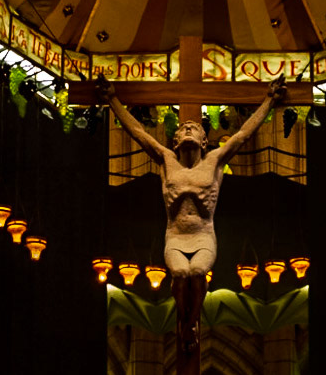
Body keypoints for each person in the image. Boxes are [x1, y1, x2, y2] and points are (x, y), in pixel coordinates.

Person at [96, 75, 287, 356]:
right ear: (175, 141)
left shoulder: (215, 161)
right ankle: (186, 323)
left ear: (204, 141)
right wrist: (112, 99)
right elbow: (137, 132)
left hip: (202, 235)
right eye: (183, 127)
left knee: (196, 271)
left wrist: (269, 100)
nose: (187, 128)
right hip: (175, 235)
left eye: (193, 128)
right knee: (180, 272)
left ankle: (189, 323)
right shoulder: (166, 160)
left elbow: (244, 134)